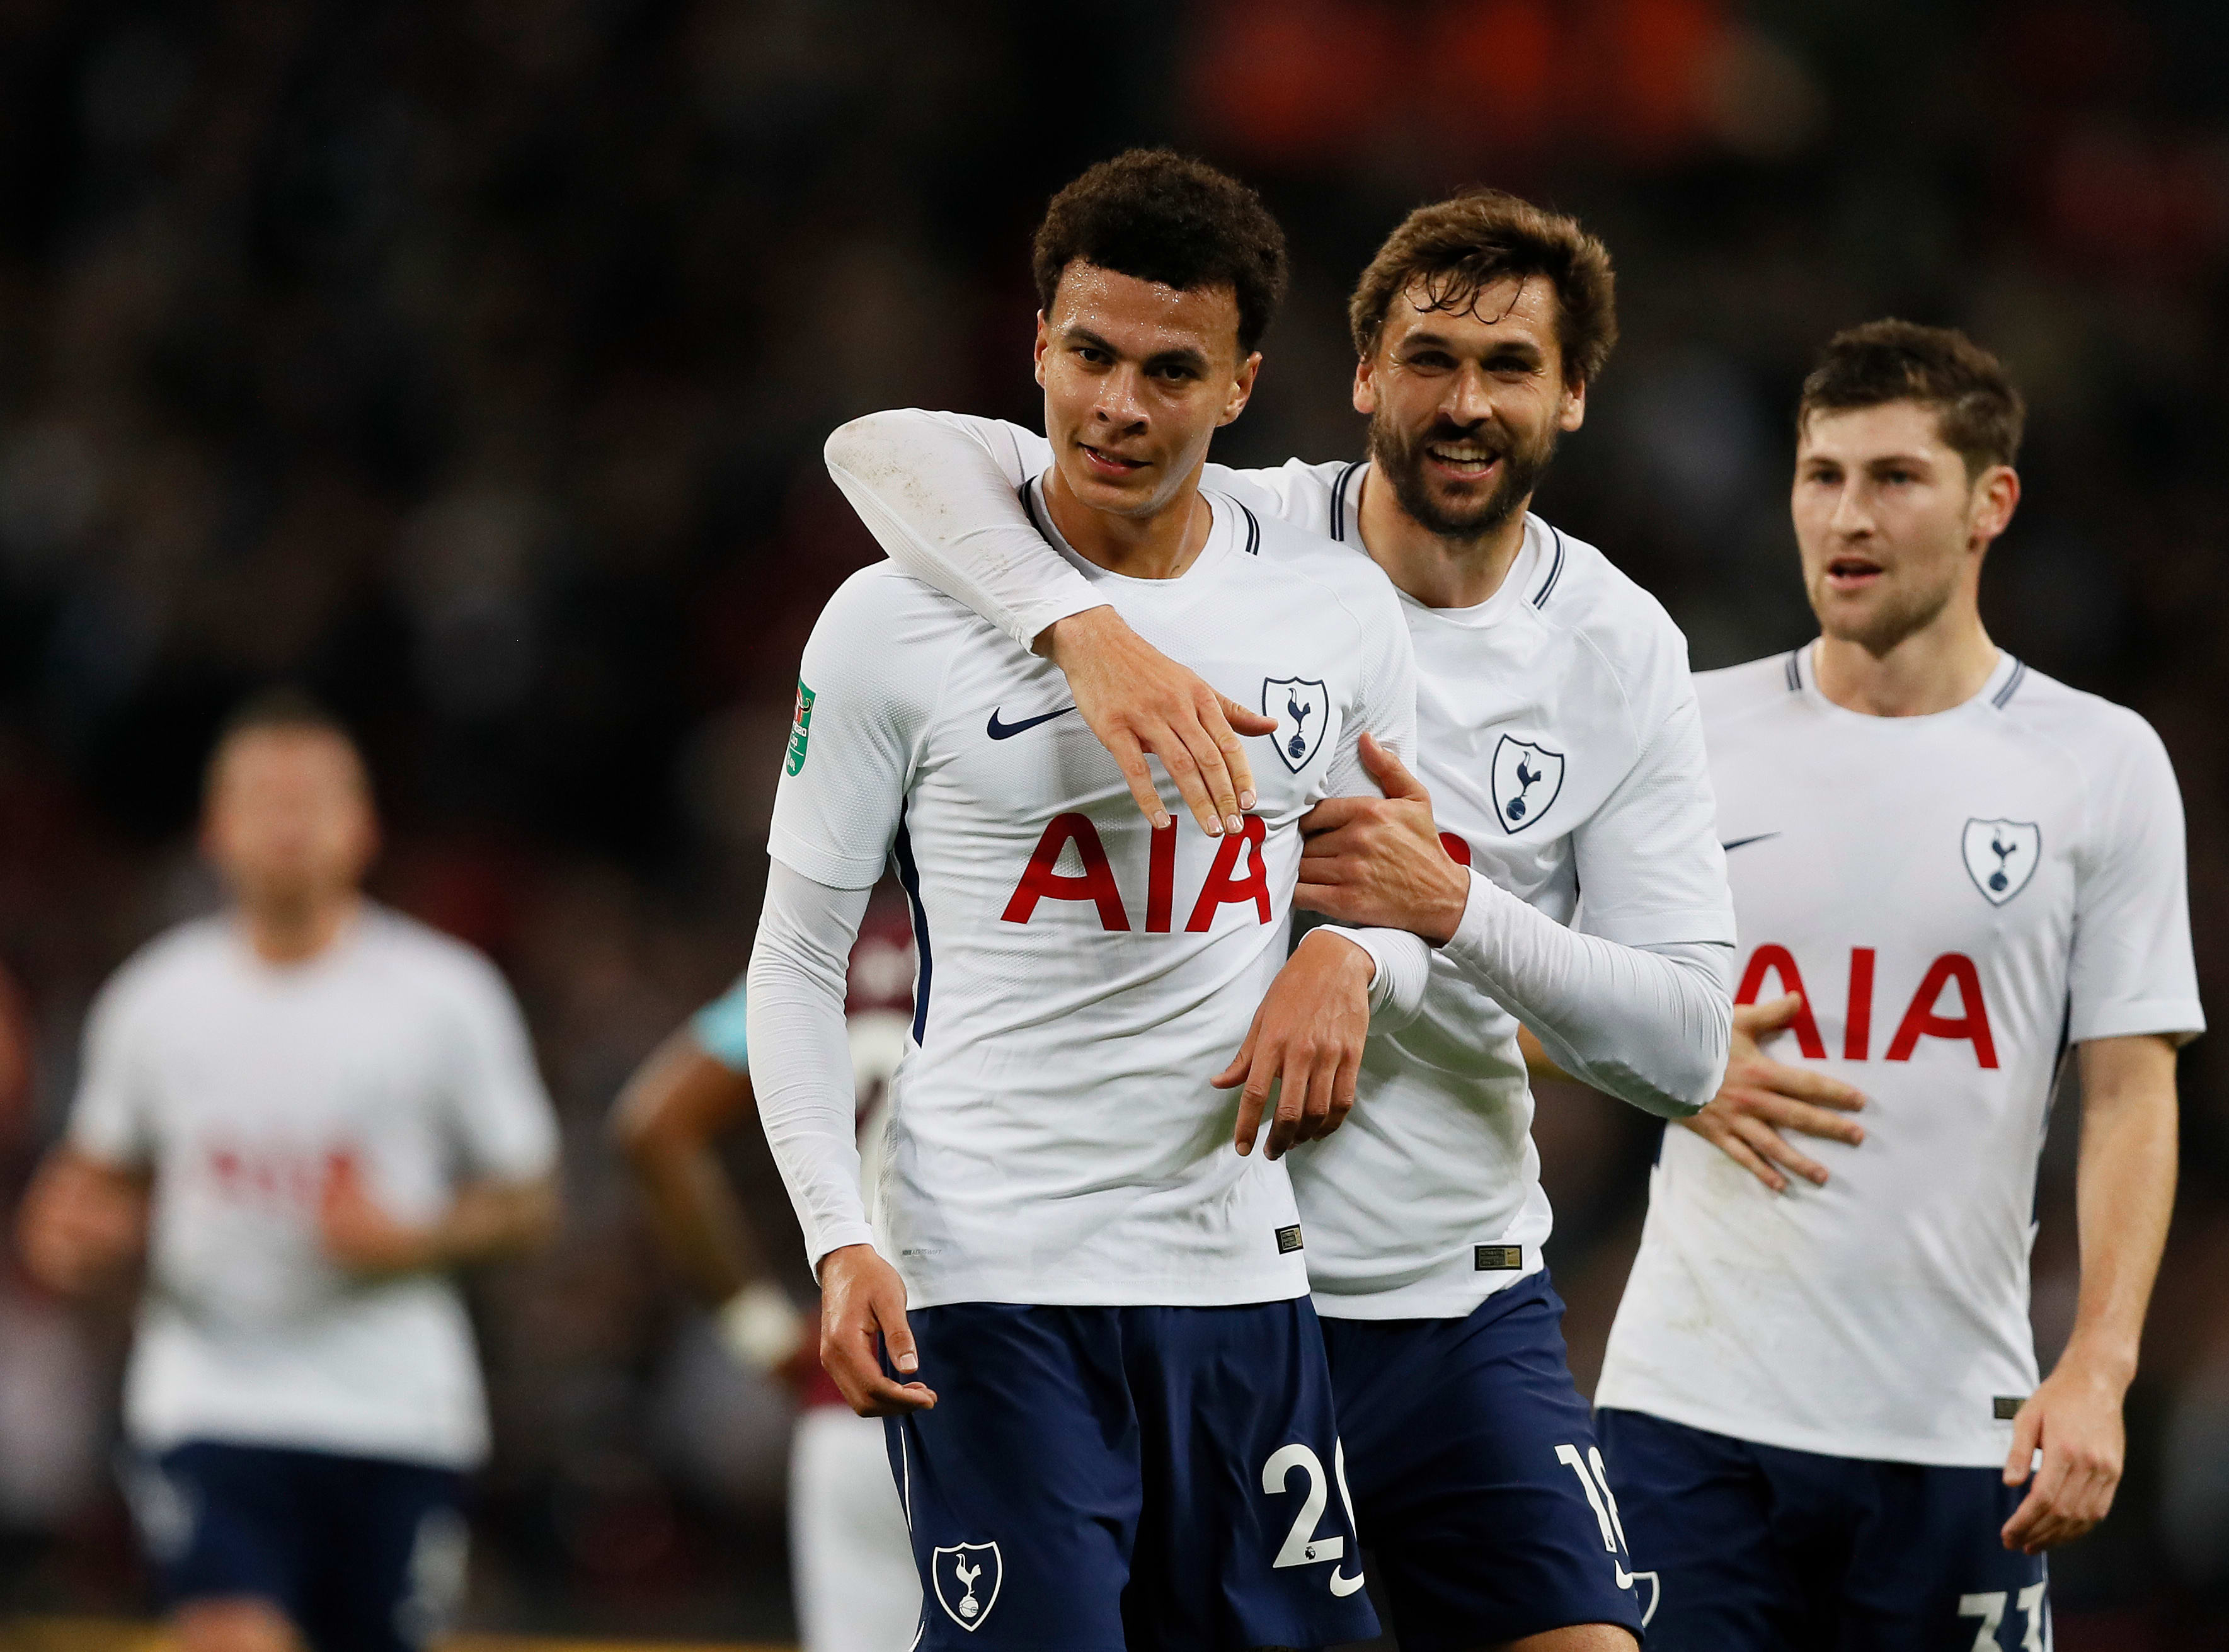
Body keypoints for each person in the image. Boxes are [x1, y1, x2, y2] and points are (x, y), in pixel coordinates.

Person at [824, 190, 1744, 1651]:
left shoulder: (1619, 648)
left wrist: (1440, 914)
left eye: (1510, 366)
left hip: (1445, 1301)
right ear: (1362, 374)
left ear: (1572, 394)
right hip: (1204, 1286)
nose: (1465, 402)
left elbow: (1688, 1047)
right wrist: (1083, 628)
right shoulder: (1231, 523)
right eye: (1429, 358)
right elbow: (888, 453)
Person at [750, 149, 1423, 1651]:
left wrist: (1354, 963)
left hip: (1239, 1275)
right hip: (990, 1278)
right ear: (1039, 347)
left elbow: (1405, 890)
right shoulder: (891, 621)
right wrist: (838, 1236)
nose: (1121, 404)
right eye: (1094, 356)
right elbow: (794, 957)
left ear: (1241, 385)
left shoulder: (1333, 612)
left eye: (1171, 371)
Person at [1592, 321, 2202, 1650]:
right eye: (1821, 476)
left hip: (1953, 1431)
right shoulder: (1687, 729)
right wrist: (1670, 1056)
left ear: (1993, 502)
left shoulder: (2101, 764)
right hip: (1690, 1417)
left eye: (1894, 478)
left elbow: (2128, 1093)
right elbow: (1524, 992)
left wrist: (2099, 1368)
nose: (1847, 516)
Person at [14, 690, 561, 1652]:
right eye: (262, 798)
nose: (287, 822)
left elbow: (530, 1197)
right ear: (213, 830)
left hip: (396, 1407)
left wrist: (413, 1239)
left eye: (311, 798)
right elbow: (87, 1191)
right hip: (211, 1397)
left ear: (365, 827)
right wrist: (72, 1237)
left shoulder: (446, 996)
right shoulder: (153, 1000)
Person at [612, 922, 919, 1652]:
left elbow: (654, 1123)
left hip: (850, 1397)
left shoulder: (831, 942)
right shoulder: (1037, 927)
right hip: (1023, 1379)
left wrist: (761, 1331)